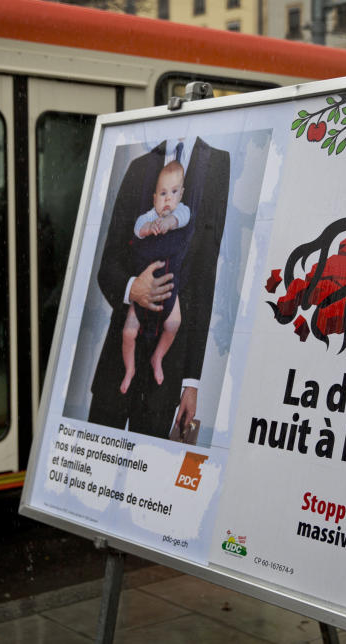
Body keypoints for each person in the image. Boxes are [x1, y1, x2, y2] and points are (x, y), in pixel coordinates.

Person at [89, 137, 230, 439]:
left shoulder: (217, 164)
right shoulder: (140, 166)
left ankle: (157, 361)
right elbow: (108, 263)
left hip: (167, 376)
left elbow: (204, 279)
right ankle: (129, 368)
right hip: (115, 369)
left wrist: (190, 383)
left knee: (147, 478)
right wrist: (132, 289)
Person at [120, 160, 192, 394]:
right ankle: (129, 368)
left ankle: (157, 357)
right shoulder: (149, 215)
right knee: (129, 332)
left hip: (170, 286)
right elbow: (138, 228)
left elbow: (182, 218)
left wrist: (169, 222)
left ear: (181, 194)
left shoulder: (181, 211)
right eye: (162, 194)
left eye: (173, 192)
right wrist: (150, 227)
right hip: (144, 287)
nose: (168, 199)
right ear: (154, 199)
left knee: (174, 323)